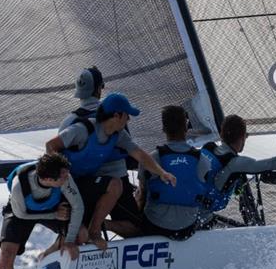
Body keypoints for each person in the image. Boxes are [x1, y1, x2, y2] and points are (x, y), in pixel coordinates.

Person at [46, 92, 176, 248]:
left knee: (116, 185)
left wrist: (162, 173)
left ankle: (95, 231)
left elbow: (139, 153)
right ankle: (50, 254)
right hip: (67, 185)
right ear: (117, 115)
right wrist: (59, 175)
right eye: (127, 115)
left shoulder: (118, 135)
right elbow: (51, 146)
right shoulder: (82, 129)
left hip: (86, 184)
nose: (128, 119)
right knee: (78, 235)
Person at [60, 68, 140, 236]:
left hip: (85, 186)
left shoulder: (68, 122)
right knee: (136, 228)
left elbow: (59, 158)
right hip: (117, 182)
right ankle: (104, 224)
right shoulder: (116, 116)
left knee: (78, 231)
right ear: (99, 89)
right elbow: (129, 156)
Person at [134, 105, 212, 240]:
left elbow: (142, 196)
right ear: (186, 128)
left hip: (155, 226)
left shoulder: (151, 159)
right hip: (186, 228)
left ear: (163, 128)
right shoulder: (203, 160)